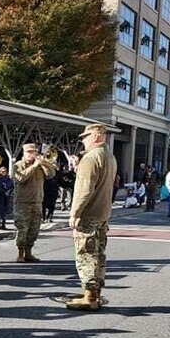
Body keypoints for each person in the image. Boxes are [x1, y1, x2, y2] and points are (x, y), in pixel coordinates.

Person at [67, 123, 117, 311]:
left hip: (89, 215)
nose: (83, 141)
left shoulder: (91, 158)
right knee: (98, 255)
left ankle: (89, 296)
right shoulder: (109, 156)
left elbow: (84, 190)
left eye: (85, 137)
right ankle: (96, 293)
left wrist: (74, 214)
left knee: (86, 255)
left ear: (95, 137)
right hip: (103, 214)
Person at [12, 143, 56, 262]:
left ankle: (28, 253)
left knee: (34, 229)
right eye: (29, 152)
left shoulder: (40, 166)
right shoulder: (18, 165)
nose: (32, 154)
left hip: (37, 202)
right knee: (22, 229)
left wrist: (44, 163)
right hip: (23, 203)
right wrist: (34, 166)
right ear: (24, 153)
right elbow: (20, 178)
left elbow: (51, 174)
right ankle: (20, 253)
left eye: (34, 152)